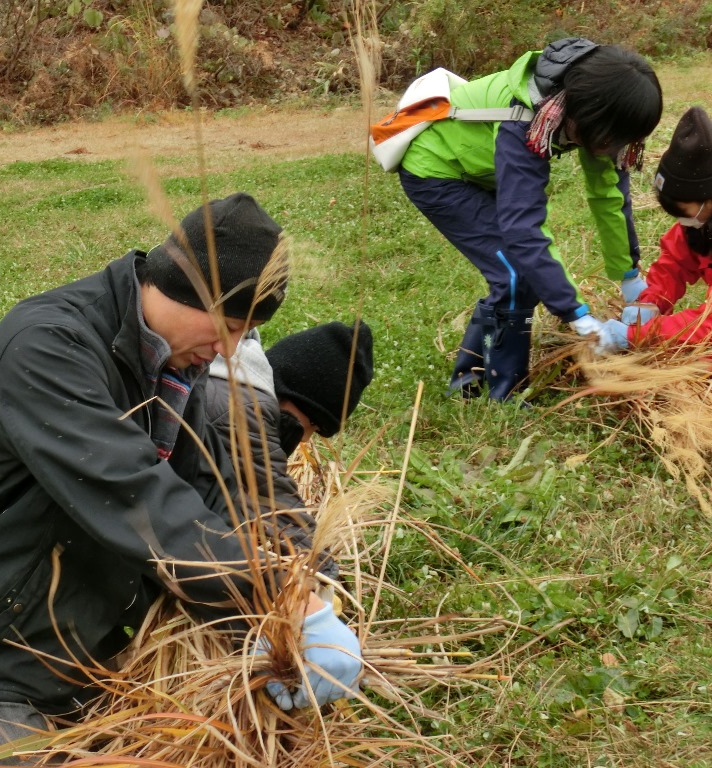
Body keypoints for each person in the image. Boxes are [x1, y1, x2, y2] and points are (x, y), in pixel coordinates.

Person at [0, 192, 364, 764]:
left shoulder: (169, 359)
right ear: (188, 290)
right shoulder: (46, 347)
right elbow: (143, 501)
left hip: (81, 649)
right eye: (228, 326)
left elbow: (210, 489)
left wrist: (282, 600)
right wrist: (286, 599)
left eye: (244, 335)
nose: (228, 351)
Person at [397, 38, 662, 400]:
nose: (615, 148)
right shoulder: (526, 120)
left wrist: (629, 274)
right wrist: (577, 315)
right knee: (516, 272)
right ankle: (499, 390)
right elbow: (524, 229)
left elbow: (609, 197)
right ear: (587, 119)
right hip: (437, 170)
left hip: (486, 169)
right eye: (614, 140)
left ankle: (472, 376)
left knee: (520, 275)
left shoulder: (586, 107)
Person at [204, 320, 374, 583]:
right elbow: (273, 505)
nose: (305, 437)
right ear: (296, 394)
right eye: (313, 424)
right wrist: (327, 580)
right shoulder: (244, 406)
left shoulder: (235, 374)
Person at [599, 106, 712, 350]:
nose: (683, 223)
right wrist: (652, 301)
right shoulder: (700, 222)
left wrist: (638, 336)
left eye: (686, 212)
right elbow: (675, 263)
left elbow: (708, 325)